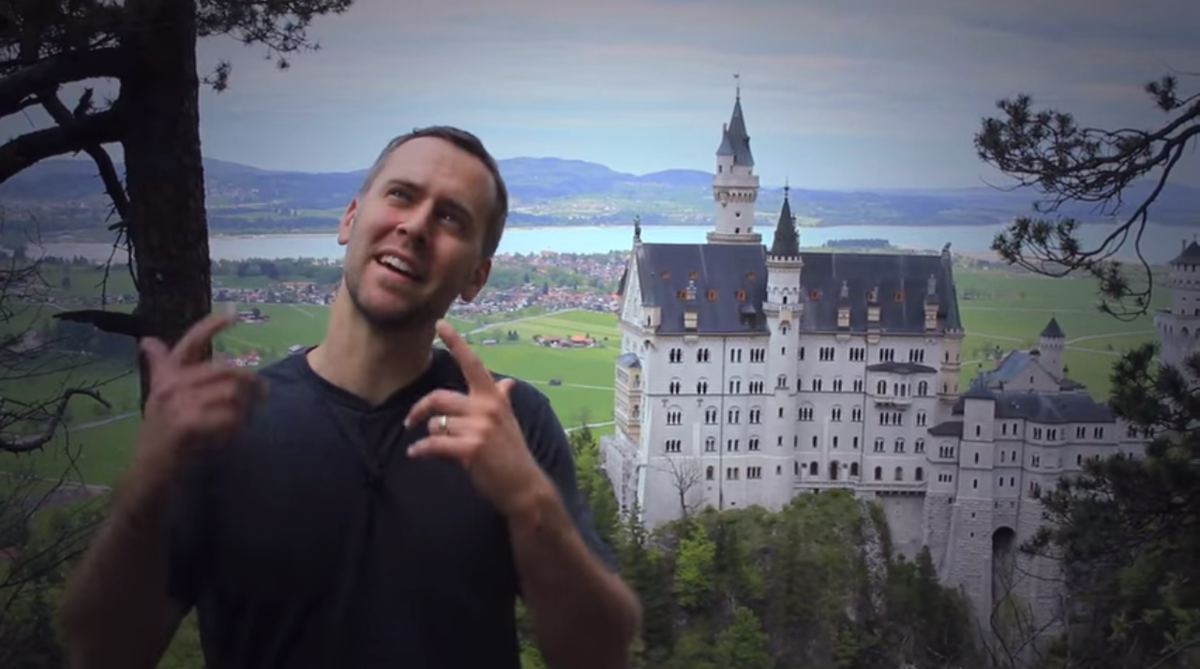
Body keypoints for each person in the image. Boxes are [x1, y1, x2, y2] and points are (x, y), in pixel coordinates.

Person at [58, 126, 642, 669]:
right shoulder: (227, 421)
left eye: (450, 218)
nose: (415, 226)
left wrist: (529, 502)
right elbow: (102, 650)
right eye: (401, 195)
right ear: (350, 218)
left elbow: (599, 654)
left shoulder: (510, 421)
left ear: (476, 278)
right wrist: (147, 491)